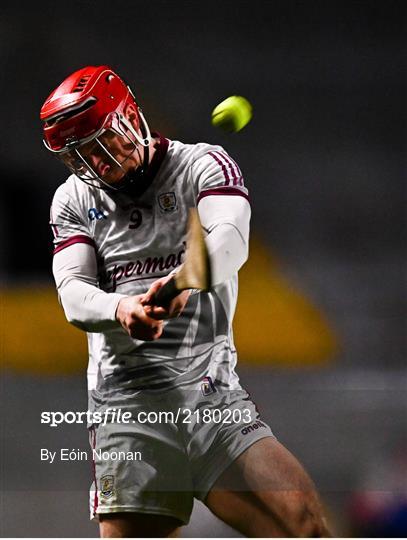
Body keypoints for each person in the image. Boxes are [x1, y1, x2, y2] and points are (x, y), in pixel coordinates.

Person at [41, 65, 331, 538]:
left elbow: (232, 241)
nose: (100, 162)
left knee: (304, 522)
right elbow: (72, 294)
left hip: (213, 395)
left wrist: (181, 284)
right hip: (127, 409)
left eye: (103, 141)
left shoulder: (202, 165)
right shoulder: (72, 200)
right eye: (82, 156)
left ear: (130, 116)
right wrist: (121, 309)